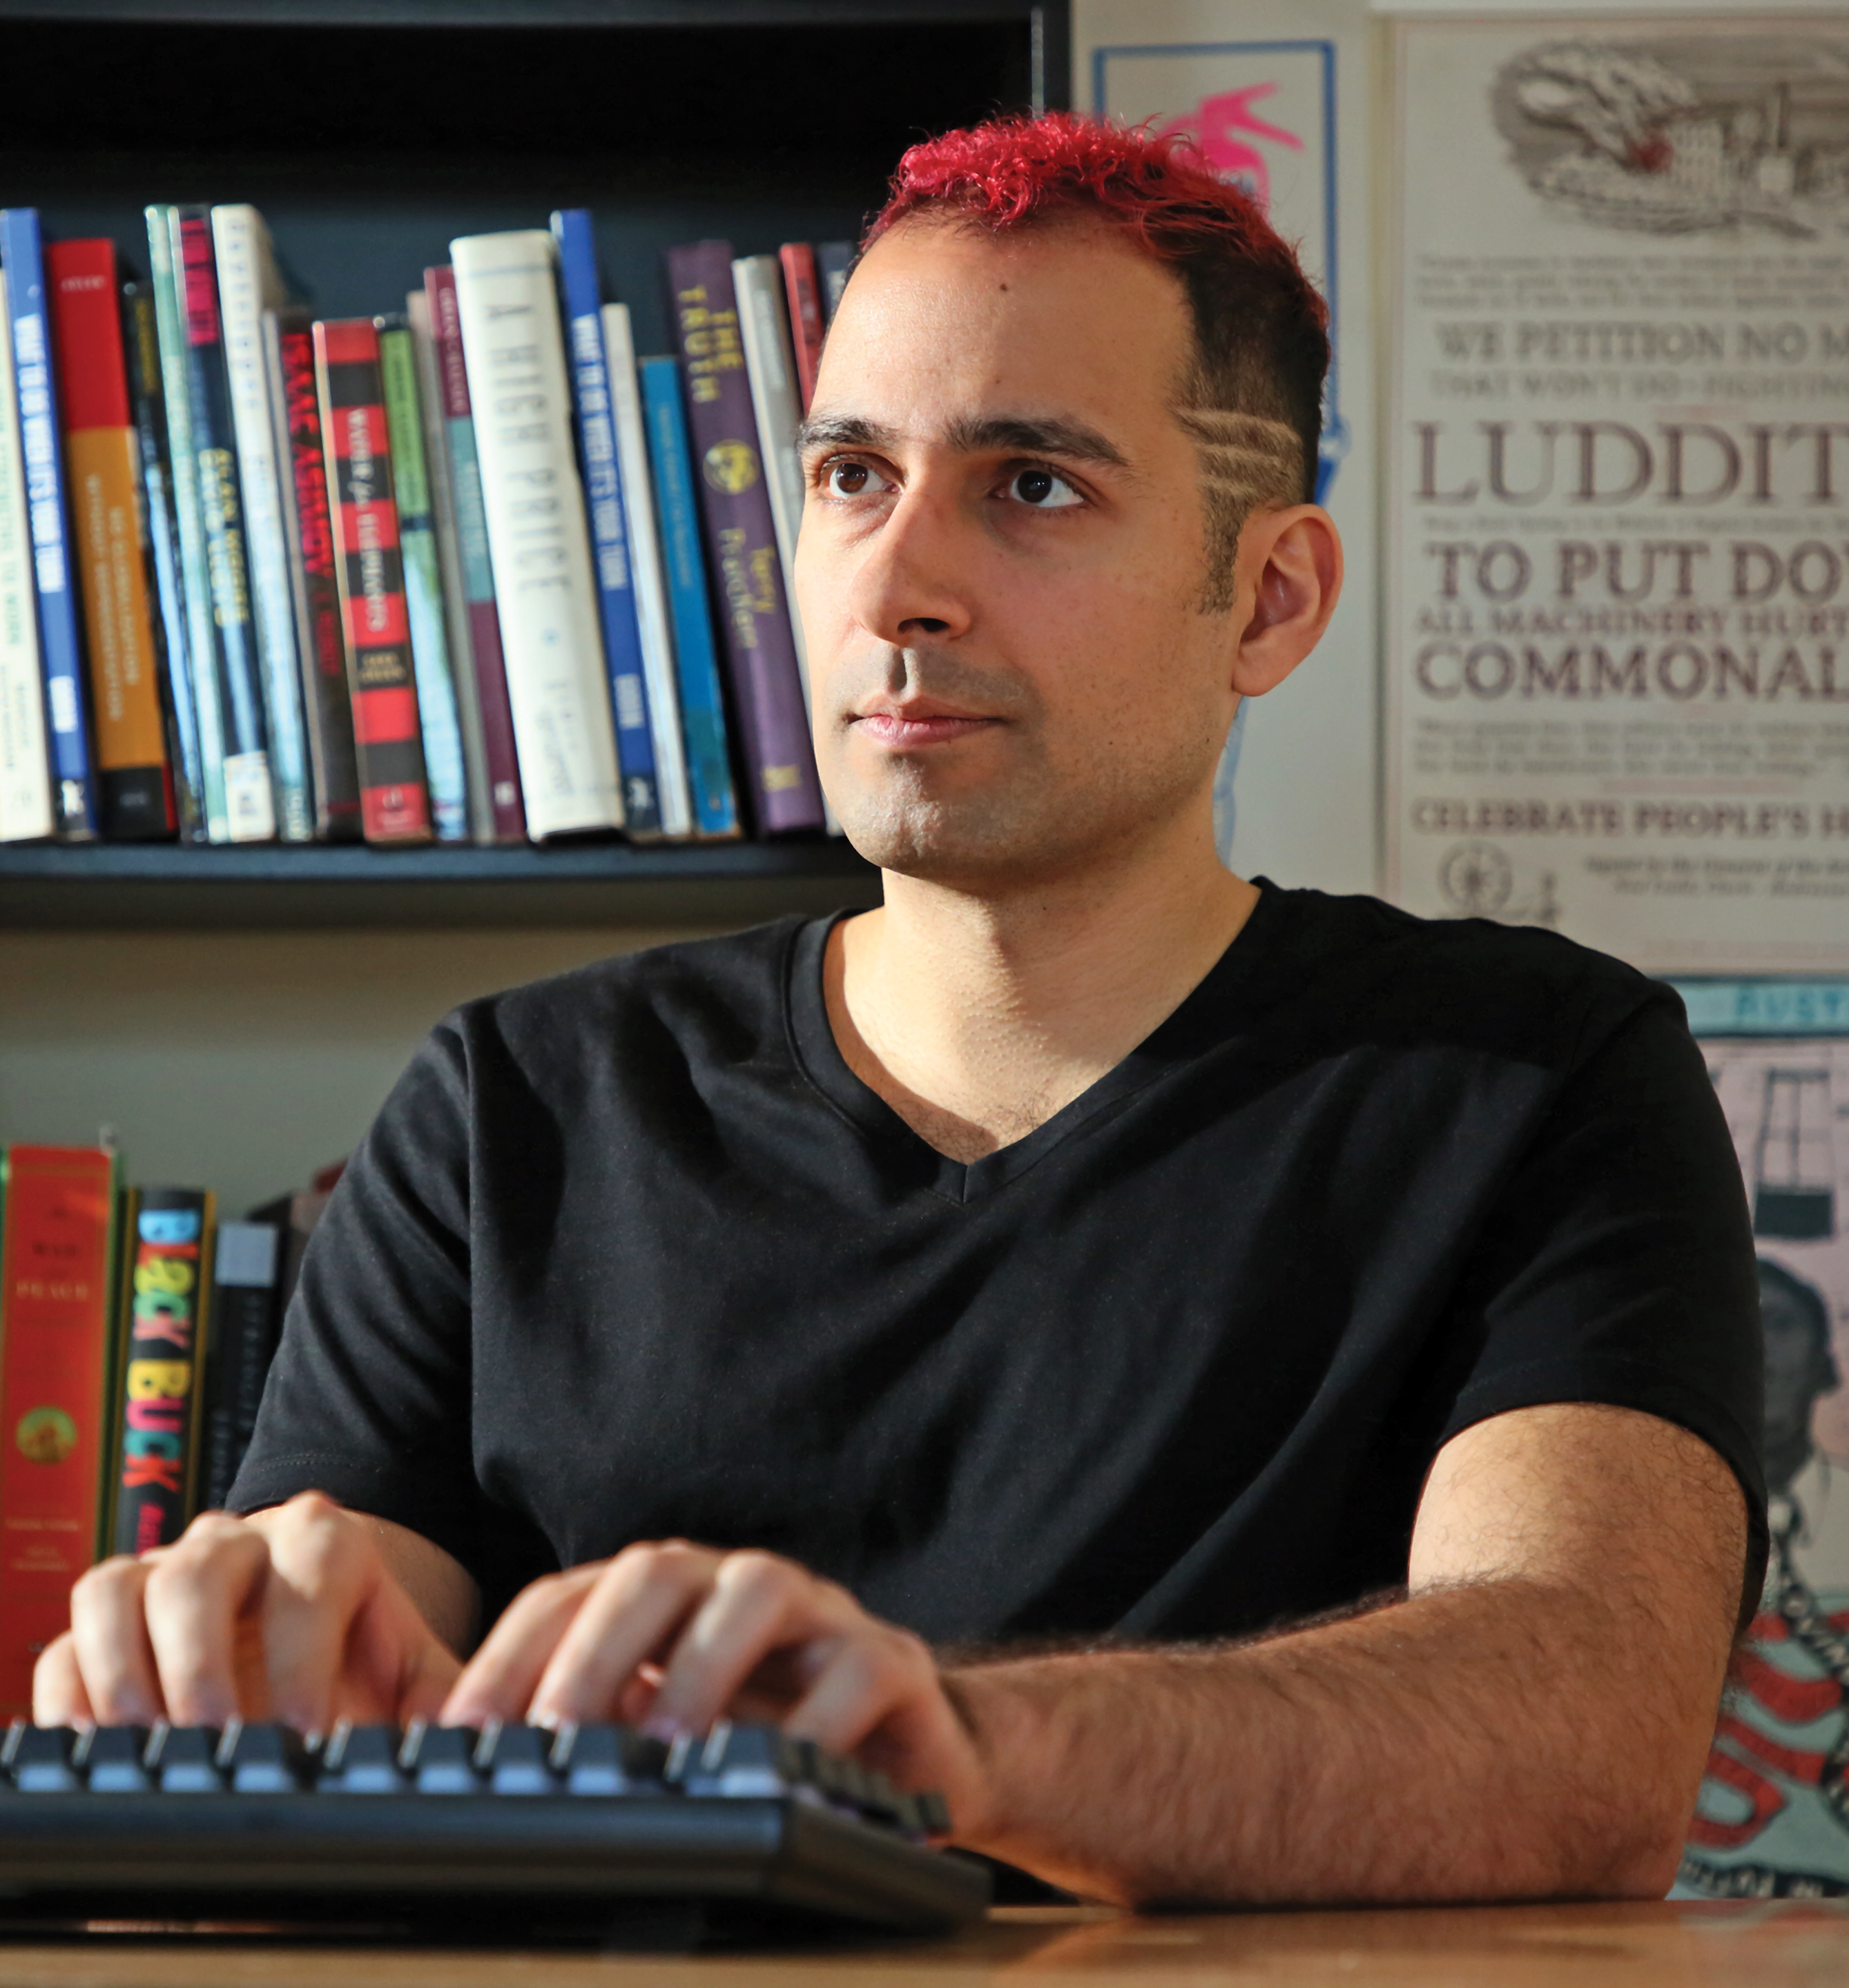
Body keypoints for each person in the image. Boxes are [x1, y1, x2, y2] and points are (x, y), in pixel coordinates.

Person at [39, 113, 1764, 1909]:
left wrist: (944, 1745)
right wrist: (226, 1662)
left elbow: (1584, 1733)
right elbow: (342, 1660)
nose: (894, 585)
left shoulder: (1536, 1076)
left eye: (1033, 485)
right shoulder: (514, 1107)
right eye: (851, 474)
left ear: (1267, 597)